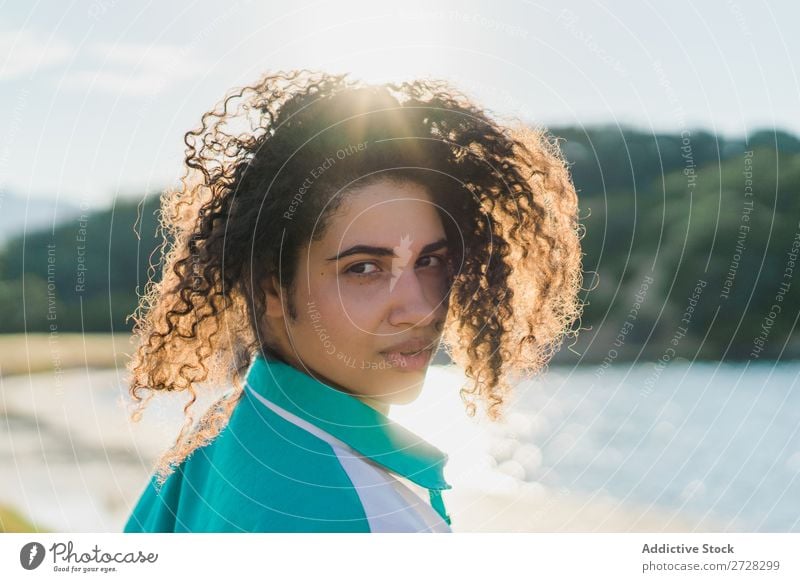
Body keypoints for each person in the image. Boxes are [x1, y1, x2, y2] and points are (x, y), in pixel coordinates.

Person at [122, 70, 584, 533]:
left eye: (430, 260)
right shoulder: (356, 518)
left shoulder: (219, 440)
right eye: (364, 268)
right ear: (272, 289)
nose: (421, 308)